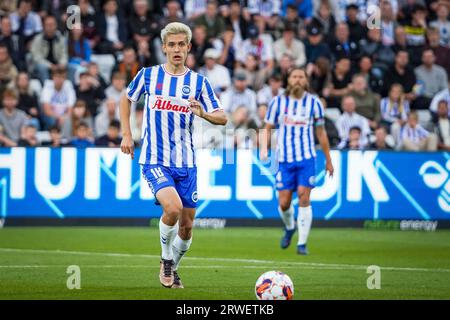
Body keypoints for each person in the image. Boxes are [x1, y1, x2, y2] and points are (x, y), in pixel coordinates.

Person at [119, 22, 227, 289]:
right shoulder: (148, 75)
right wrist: (126, 134)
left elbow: (222, 117)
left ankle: (174, 267)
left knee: (187, 227)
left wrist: (203, 113)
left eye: (182, 44)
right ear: (164, 48)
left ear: (189, 48)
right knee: (173, 208)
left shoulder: (199, 82)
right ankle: (166, 259)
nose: (177, 49)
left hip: (186, 164)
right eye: (172, 45)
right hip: (155, 159)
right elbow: (126, 98)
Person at [260, 67, 334, 255]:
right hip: (284, 160)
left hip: (306, 159)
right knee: (284, 203)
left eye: (301, 77)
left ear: (306, 81)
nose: (298, 80)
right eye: (294, 76)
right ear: (288, 80)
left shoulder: (314, 103)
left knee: (303, 196)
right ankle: (290, 227)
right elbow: (267, 127)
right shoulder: (277, 103)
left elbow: (321, 132)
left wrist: (328, 159)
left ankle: (302, 243)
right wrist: (263, 148)